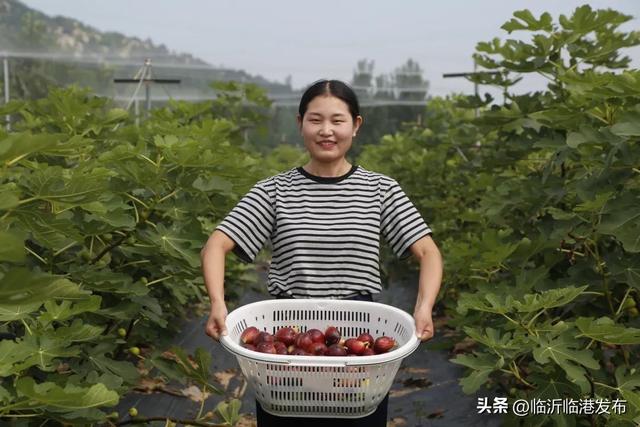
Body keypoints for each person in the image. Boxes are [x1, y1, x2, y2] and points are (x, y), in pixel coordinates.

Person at [200, 79, 443, 426]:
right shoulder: (275, 191)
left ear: (355, 126)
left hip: (356, 336)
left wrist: (423, 308)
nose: (326, 130)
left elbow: (427, 251)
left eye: (337, 120)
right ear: (300, 124)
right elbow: (216, 245)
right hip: (286, 341)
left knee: (358, 416)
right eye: (315, 120)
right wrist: (217, 303)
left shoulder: (380, 189)